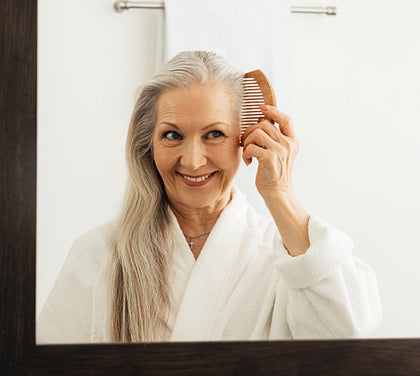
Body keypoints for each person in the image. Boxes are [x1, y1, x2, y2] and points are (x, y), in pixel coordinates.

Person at [37, 51, 382, 343]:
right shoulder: (100, 252)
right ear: (149, 146)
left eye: (214, 134)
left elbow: (350, 336)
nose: (192, 160)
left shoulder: (286, 258)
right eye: (172, 135)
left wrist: (280, 192)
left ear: (247, 139)